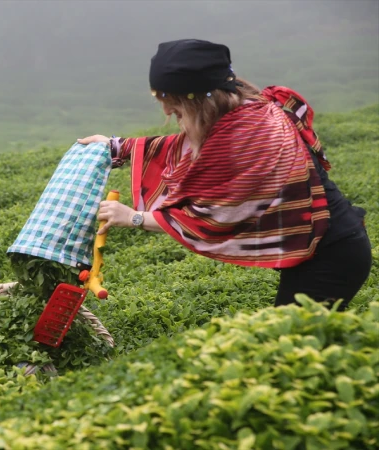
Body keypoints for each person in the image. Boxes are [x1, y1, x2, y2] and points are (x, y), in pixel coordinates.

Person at [78, 39, 371, 311]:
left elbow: (211, 217)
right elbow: (185, 146)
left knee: (288, 354)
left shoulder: (248, 137)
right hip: (321, 246)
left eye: (175, 105)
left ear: (199, 101)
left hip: (331, 256)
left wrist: (133, 217)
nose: (166, 109)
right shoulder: (242, 111)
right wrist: (118, 147)